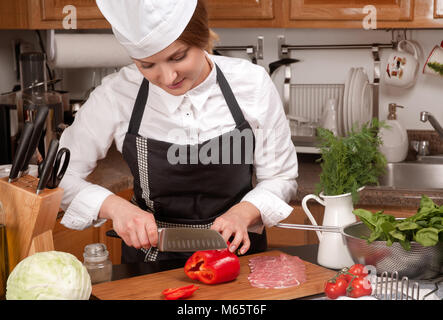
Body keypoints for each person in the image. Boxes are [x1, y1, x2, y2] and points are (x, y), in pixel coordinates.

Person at [59, 0, 299, 263]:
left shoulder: (251, 84)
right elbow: (59, 178)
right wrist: (114, 207)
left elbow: (280, 177)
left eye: (178, 57)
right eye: (147, 65)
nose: (168, 77)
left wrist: (245, 212)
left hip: (237, 259)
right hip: (148, 262)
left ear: (202, 37)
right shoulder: (116, 95)